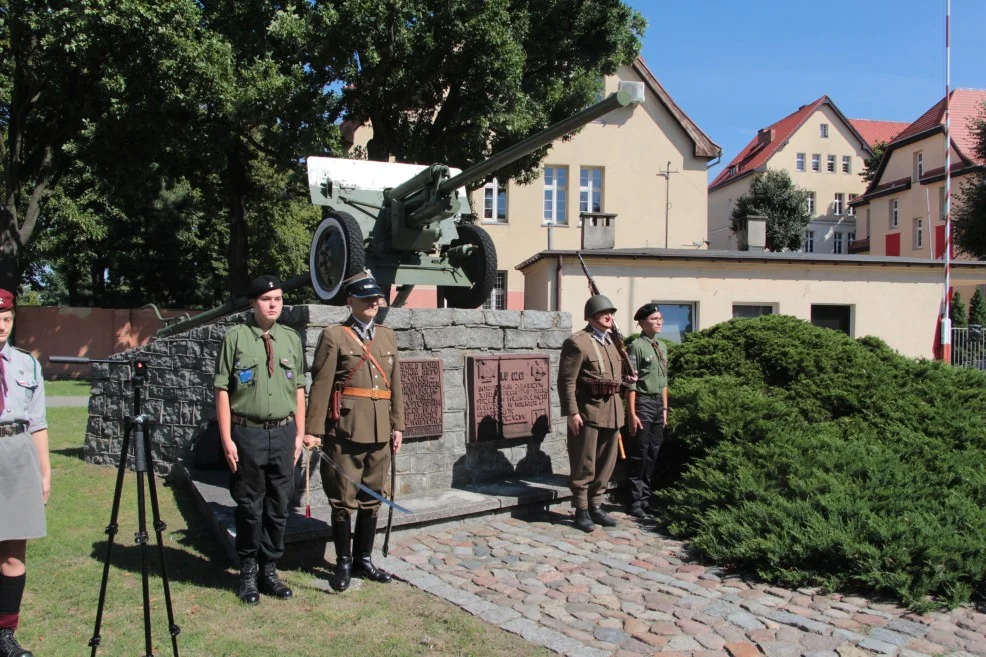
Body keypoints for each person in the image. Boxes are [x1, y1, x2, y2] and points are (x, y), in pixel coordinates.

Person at [305, 271, 404, 592]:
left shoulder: (387, 336)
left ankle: (364, 559)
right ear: (350, 301)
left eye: (376, 298)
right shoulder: (335, 336)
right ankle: (343, 563)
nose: (373, 303)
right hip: (345, 431)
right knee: (343, 501)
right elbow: (321, 386)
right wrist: (313, 431)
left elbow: (396, 386)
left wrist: (398, 425)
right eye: (365, 298)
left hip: (380, 435)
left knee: (372, 499)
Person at [214, 275, 306, 605]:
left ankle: (270, 570)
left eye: (278, 299)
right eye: (267, 299)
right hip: (248, 434)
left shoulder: (291, 339)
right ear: (253, 302)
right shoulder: (236, 338)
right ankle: (248, 572)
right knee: (250, 507)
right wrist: (226, 438)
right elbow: (223, 390)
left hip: (283, 434)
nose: (273, 304)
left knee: (279, 506)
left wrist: (299, 436)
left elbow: (299, 390)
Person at [0, 289, 49, 657]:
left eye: (6, 319)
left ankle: (5, 635)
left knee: (14, 553)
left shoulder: (26, 364)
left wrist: (45, 473)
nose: (1, 326)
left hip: (17, 454)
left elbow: (38, 423)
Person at [557, 294, 633, 533]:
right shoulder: (578, 342)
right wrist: (572, 412)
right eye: (603, 313)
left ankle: (596, 505)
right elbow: (566, 381)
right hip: (588, 411)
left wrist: (627, 381)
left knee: (606, 463)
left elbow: (615, 379)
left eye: (611, 313)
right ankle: (581, 509)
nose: (609, 316)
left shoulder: (612, 343)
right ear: (591, 317)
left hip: (612, 411)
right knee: (584, 463)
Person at [624, 303, 669, 519]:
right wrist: (631, 414)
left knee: (653, 453)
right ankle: (634, 501)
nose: (659, 322)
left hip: (658, 405)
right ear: (642, 323)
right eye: (654, 319)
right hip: (642, 403)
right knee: (639, 453)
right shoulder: (636, 347)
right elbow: (631, 384)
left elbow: (664, 381)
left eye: (660, 318)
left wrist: (666, 408)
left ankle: (646, 499)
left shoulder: (662, 346)